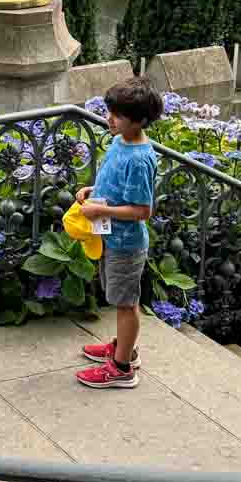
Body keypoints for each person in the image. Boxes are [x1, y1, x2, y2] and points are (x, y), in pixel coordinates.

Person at [74, 76, 163, 390]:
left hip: (126, 243)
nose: (108, 119)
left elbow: (142, 210)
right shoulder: (119, 140)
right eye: (109, 111)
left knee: (125, 303)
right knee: (121, 299)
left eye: (117, 115)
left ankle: (122, 367)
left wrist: (101, 211)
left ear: (138, 121)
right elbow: (116, 186)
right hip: (110, 237)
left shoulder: (139, 159)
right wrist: (93, 191)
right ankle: (125, 349)